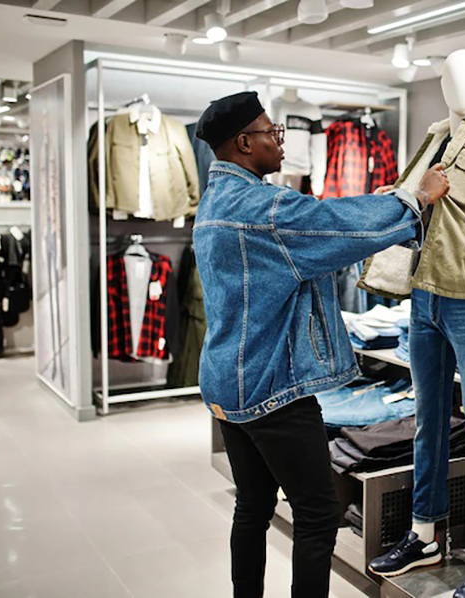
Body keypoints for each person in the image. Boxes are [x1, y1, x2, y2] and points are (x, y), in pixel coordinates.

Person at [192, 91, 449, 598]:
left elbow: (325, 224)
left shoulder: (216, 201)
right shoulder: (263, 207)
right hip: (274, 387)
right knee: (317, 514)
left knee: (253, 506)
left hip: (227, 380)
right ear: (244, 142)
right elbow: (336, 224)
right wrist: (414, 198)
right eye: (272, 133)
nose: (281, 143)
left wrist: (379, 205)